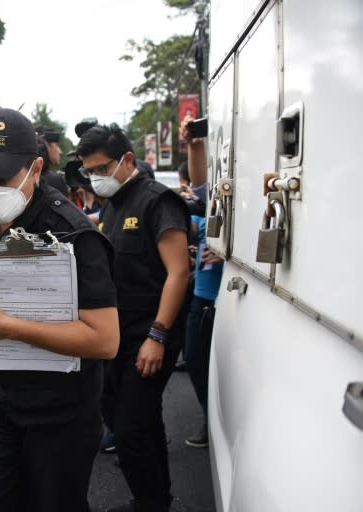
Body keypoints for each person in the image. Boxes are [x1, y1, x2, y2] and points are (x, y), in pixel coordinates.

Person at [0, 107, 120, 512]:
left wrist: (8, 327)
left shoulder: (73, 232)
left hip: (59, 412)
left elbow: (104, 340)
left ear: (36, 168)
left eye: (3, 178)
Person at [76, 123, 190, 512]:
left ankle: (149, 502)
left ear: (127, 159)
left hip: (149, 333)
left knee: (129, 431)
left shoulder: (158, 201)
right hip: (118, 335)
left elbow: (178, 272)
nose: (95, 178)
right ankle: (156, 500)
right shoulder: (113, 203)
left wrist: (158, 337)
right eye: (89, 172)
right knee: (139, 423)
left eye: (101, 169)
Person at [179, 116, 224, 449]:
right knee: (195, 360)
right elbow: (198, 188)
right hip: (201, 295)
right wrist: (194, 144)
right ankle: (211, 419)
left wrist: (228, 253)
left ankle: (221, 427)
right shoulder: (216, 193)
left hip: (226, 298)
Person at [36, 129, 69, 196]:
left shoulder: (25, 177)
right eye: (56, 145)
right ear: (45, 145)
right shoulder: (56, 181)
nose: (60, 152)